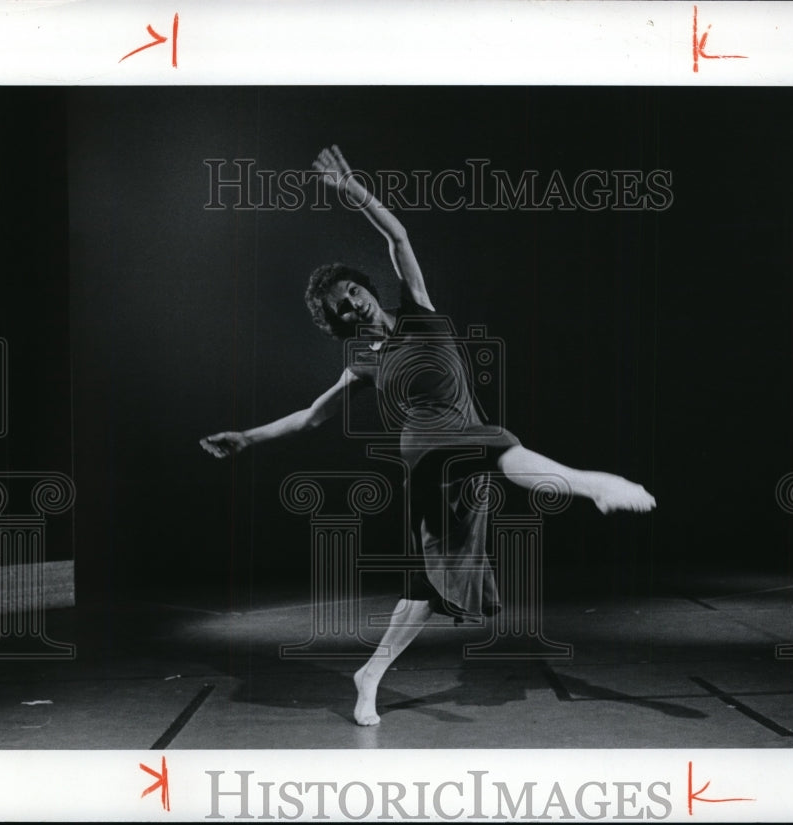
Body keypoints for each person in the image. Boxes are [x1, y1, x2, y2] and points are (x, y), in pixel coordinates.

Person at [201, 145, 656, 727]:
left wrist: (354, 193)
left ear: (365, 289)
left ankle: (369, 676)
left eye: (353, 293)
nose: (351, 307)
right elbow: (312, 416)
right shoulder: (362, 361)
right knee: (499, 447)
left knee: (430, 587)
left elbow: (398, 238)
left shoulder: (420, 310)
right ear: (336, 323)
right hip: (432, 451)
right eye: (340, 309)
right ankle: (589, 486)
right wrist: (248, 436)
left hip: (464, 452)